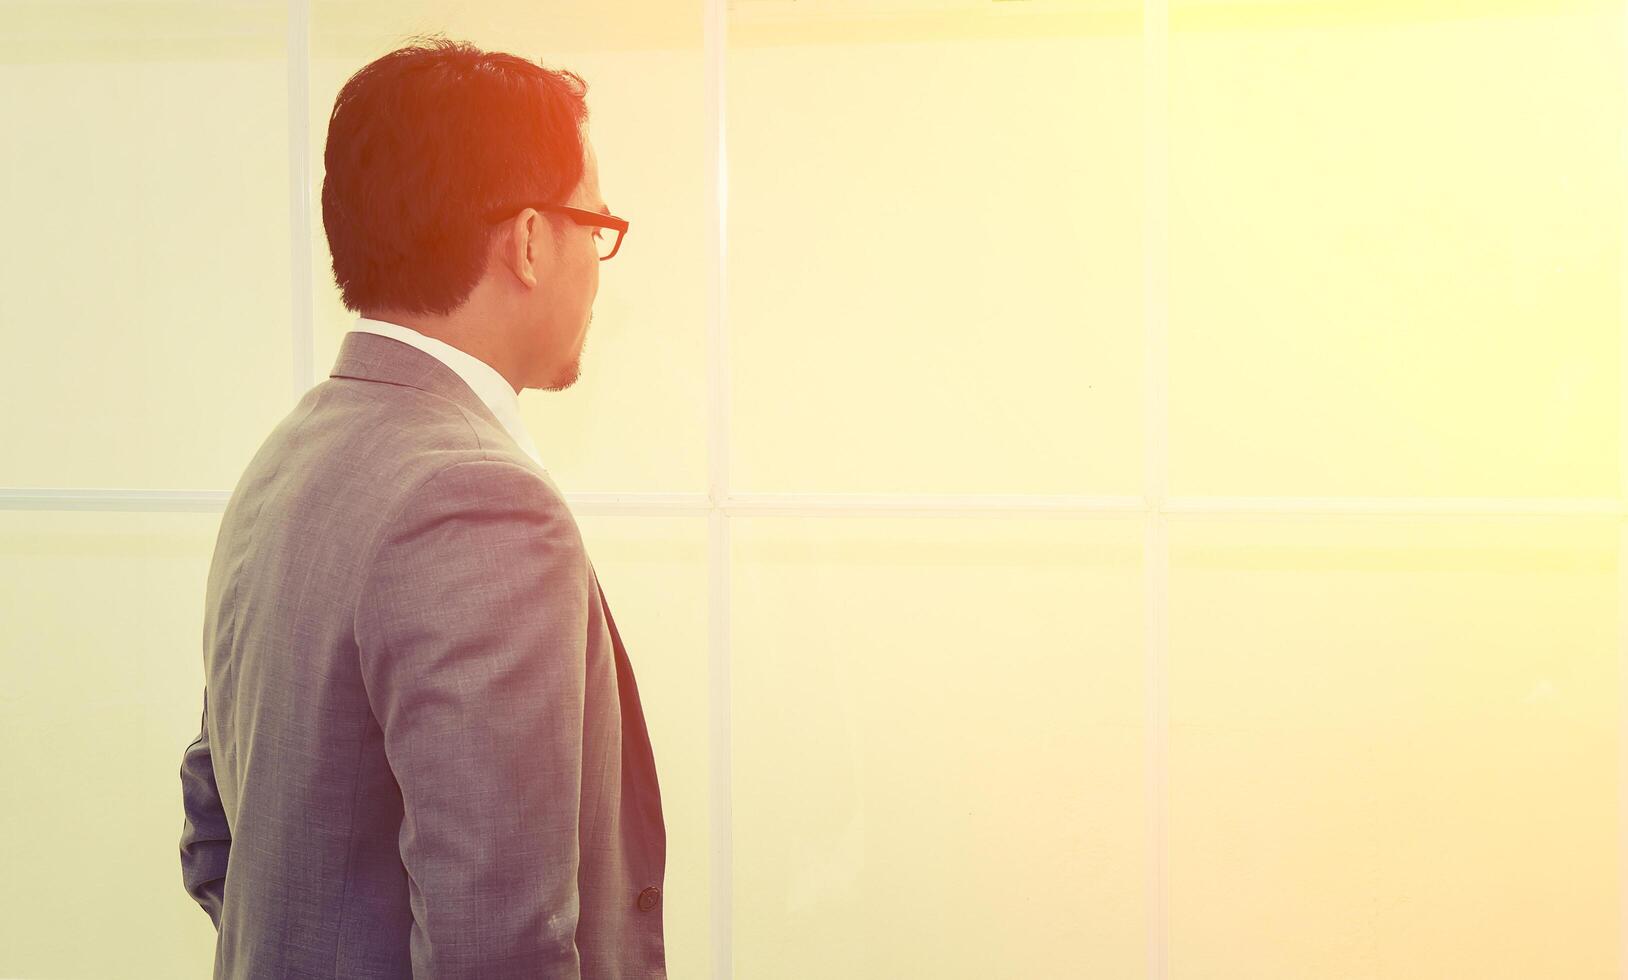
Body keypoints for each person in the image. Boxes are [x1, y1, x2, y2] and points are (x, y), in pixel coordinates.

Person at [177, 34, 665, 979]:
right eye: (593, 223)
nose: (599, 262)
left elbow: (216, 833)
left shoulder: (290, 456)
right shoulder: (481, 505)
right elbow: (498, 948)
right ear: (529, 239)